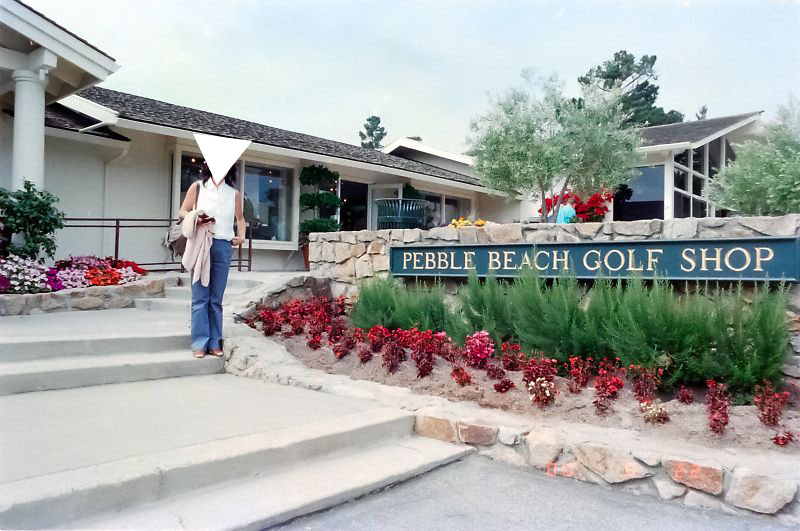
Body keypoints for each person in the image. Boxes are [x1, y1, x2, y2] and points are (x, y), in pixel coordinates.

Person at [179, 165, 246, 358]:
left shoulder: (234, 194)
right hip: (201, 242)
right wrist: (196, 218)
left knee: (216, 299)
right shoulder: (198, 187)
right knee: (200, 296)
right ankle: (199, 343)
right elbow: (183, 210)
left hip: (223, 245)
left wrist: (241, 236)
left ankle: (215, 342)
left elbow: (240, 218)